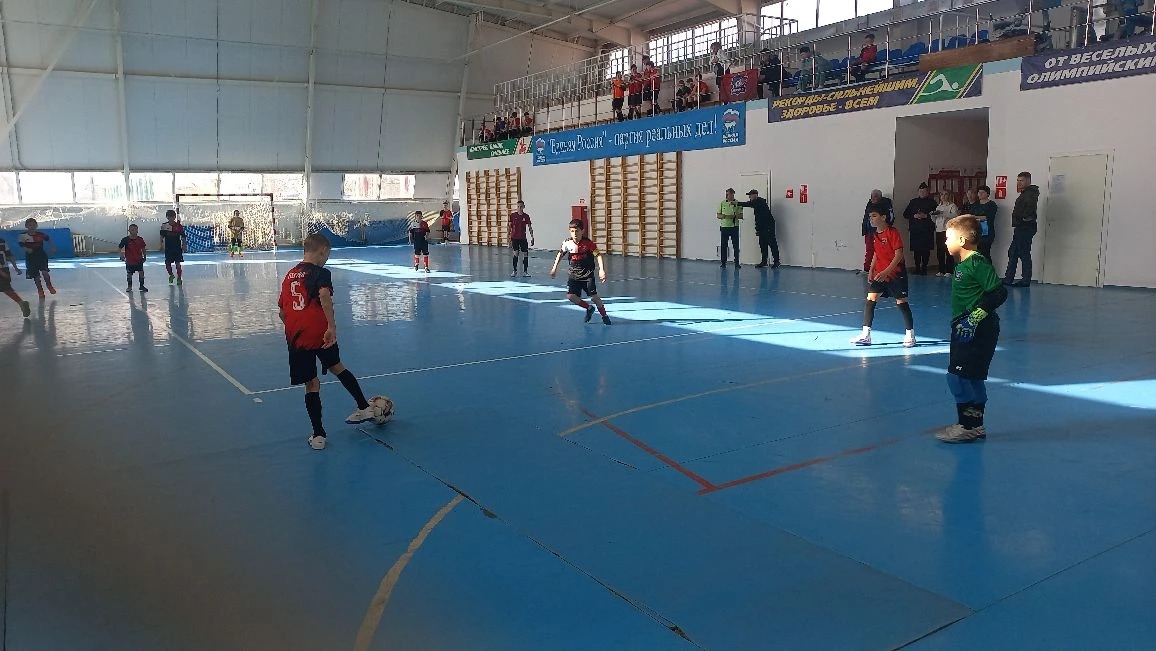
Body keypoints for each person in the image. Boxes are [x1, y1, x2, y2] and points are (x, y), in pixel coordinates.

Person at [278, 233, 376, 450]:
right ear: (322, 251)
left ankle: (318, 435)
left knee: (311, 384)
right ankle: (364, 407)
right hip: (320, 333)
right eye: (327, 255)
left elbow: (282, 312)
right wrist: (331, 326)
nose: (326, 259)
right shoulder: (320, 273)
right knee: (337, 367)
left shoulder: (289, 275)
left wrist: (295, 326)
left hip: (297, 337)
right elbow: (324, 295)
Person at [937, 214, 1008, 443]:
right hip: (964, 326)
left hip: (975, 328)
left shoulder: (977, 262)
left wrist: (974, 318)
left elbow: (999, 292)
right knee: (973, 378)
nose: (945, 242)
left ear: (961, 240)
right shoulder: (963, 264)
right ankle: (975, 425)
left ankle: (966, 426)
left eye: (948, 238)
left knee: (957, 378)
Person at [851, 208, 916, 348]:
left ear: (884, 217)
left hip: (896, 274)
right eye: (870, 216)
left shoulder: (893, 232)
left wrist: (887, 271)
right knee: (870, 300)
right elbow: (876, 253)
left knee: (901, 303)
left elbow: (898, 254)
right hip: (880, 275)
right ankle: (866, 335)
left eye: (874, 216)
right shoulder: (875, 234)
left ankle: (910, 334)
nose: (871, 219)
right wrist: (871, 270)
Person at [550, 219, 611, 325]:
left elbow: (598, 255)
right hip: (574, 275)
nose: (575, 233)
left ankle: (604, 315)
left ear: (582, 231)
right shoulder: (567, 243)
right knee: (570, 296)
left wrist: (601, 270)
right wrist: (554, 268)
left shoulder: (588, 243)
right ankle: (589, 308)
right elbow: (560, 254)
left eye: (577, 231)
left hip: (587, 275)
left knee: (594, 297)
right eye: (572, 231)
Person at [1004, 172, 1039, 287]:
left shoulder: (1029, 194)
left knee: (1023, 253)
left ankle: (1025, 280)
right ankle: (1009, 279)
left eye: (1021, 180)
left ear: (1028, 181)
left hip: (1025, 227)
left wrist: (1023, 218)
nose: (1019, 183)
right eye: (1018, 180)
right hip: (1021, 227)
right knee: (1013, 252)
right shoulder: (1026, 193)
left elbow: (1030, 209)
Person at [736, 189, 779, 268]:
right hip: (761, 227)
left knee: (772, 243)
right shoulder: (756, 202)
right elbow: (758, 218)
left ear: (755, 195)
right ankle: (764, 261)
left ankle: (776, 261)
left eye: (750, 195)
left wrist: (737, 203)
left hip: (768, 226)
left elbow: (747, 204)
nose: (749, 197)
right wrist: (758, 229)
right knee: (762, 244)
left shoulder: (759, 201)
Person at [903, 182, 938, 275]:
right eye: (920, 191)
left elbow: (937, 215)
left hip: (927, 229)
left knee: (926, 250)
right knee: (916, 250)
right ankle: (917, 267)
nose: (922, 193)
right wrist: (914, 215)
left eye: (924, 191)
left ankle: (924, 268)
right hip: (916, 230)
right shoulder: (913, 202)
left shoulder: (932, 202)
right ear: (918, 192)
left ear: (928, 192)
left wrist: (926, 216)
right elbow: (905, 214)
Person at [19, 218, 56, 299]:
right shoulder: (23, 235)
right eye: (30, 225)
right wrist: (27, 249)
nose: (32, 227)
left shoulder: (40, 235)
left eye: (33, 225)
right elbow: (21, 244)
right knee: (36, 276)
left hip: (41, 256)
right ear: (26, 226)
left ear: (36, 226)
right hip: (31, 258)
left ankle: (49, 285)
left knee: (45, 272)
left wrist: (52, 246)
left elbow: (48, 239)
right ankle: (40, 290)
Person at [861, 190, 894, 274]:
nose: (874, 198)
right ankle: (867, 269)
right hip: (869, 232)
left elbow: (890, 218)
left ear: (880, 197)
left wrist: (886, 229)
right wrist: (864, 230)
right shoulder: (869, 203)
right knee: (869, 251)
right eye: (873, 196)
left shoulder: (886, 204)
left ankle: (881, 269)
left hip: (881, 231)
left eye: (876, 196)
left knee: (882, 251)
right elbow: (866, 218)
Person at [0, 237, 31, 318]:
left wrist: (16, 268)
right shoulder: (2, 241)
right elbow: (9, 255)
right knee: (6, 288)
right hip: (4, 268)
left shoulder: (2, 242)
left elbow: (9, 255)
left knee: (6, 288)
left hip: (3, 269)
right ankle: (21, 303)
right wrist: (16, 268)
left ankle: (21, 303)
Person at [932, 190, 960, 277]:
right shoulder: (938, 206)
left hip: (948, 230)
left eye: (945, 194)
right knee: (940, 251)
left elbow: (955, 216)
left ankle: (949, 270)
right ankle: (941, 270)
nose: (943, 196)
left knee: (948, 250)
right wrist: (933, 215)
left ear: (949, 196)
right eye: (942, 194)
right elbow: (935, 220)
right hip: (939, 230)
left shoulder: (952, 206)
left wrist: (943, 213)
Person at [118, 224, 149, 293]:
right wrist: (121, 255)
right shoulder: (125, 239)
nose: (134, 231)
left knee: (141, 273)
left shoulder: (140, 239)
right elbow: (119, 247)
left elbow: (143, 248)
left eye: (135, 229)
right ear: (129, 230)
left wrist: (145, 256)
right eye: (132, 229)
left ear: (137, 230)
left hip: (139, 259)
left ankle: (141, 286)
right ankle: (129, 287)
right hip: (130, 260)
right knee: (129, 274)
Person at [717, 188, 743, 268]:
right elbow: (718, 215)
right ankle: (723, 263)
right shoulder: (722, 203)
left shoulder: (737, 203)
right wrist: (724, 216)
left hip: (734, 227)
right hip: (724, 227)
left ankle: (737, 263)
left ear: (733, 194)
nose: (728, 196)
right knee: (723, 245)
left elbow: (741, 215)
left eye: (730, 194)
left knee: (736, 246)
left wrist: (734, 216)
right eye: (727, 194)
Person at [508, 200, 534, 277]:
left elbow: (530, 227)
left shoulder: (526, 216)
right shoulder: (513, 215)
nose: (519, 208)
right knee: (516, 253)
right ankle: (514, 271)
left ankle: (525, 272)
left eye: (521, 206)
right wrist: (508, 236)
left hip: (523, 238)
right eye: (518, 206)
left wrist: (532, 237)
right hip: (514, 238)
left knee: (525, 254)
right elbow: (509, 227)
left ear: (523, 207)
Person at [159, 209, 186, 285]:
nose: (171, 218)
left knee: (178, 264)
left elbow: (183, 237)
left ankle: (179, 278)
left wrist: (184, 245)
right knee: (167, 264)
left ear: (174, 217)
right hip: (168, 248)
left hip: (177, 248)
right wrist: (161, 245)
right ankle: (171, 275)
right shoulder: (164, 226)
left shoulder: (178, 226)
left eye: (172, 216)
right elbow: (161, 236)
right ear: (167, 217)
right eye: (169, 216)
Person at [972, 185, 998, 260]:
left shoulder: (992, 204)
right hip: (976, 232)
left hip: (987, 233)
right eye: (979, 192)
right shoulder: (975, 204)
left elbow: (988, 217)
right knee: (976, 254)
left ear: (988, 194)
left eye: (982, 192)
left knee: (985, 253)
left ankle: (987, 267)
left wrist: (975, 217)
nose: (980, 194)